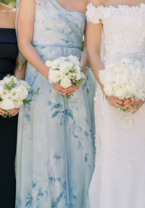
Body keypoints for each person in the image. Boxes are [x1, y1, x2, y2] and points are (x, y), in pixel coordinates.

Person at [86, 0, 145, 207]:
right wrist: (107, 89)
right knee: (110, 156)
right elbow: (93, 49)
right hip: (108, 88)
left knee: (142, 156)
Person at [16, 0, 95, 207]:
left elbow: (91, 45)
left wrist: (80, 72)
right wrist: (49, 74)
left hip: (78, 81)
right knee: (46, 146)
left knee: (78, 148)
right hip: (41, 81)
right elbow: (24, 42)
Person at [0, 2, 26, 208]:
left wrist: (15, 94)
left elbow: (20, 60)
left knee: (5, 166)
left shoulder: (15, 15)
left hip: (7, 104)